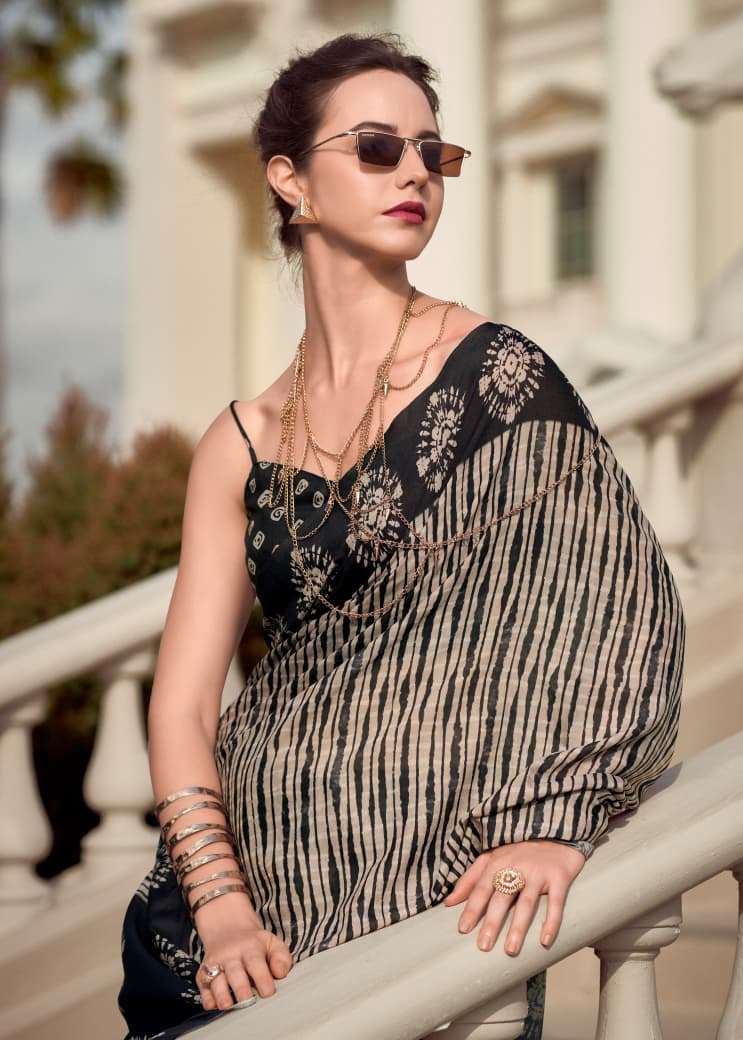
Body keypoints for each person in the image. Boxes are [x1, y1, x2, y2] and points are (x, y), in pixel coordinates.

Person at [117, 31, 685, 1040]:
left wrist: (559, 819)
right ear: (289, 179)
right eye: (378, 147)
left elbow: (614, 604)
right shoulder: (239, 442)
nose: (415, 172)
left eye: (434, 152)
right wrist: (219, 903)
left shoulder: (498, 378)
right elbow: (185, 704)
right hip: (246, 931)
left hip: (432, 902)